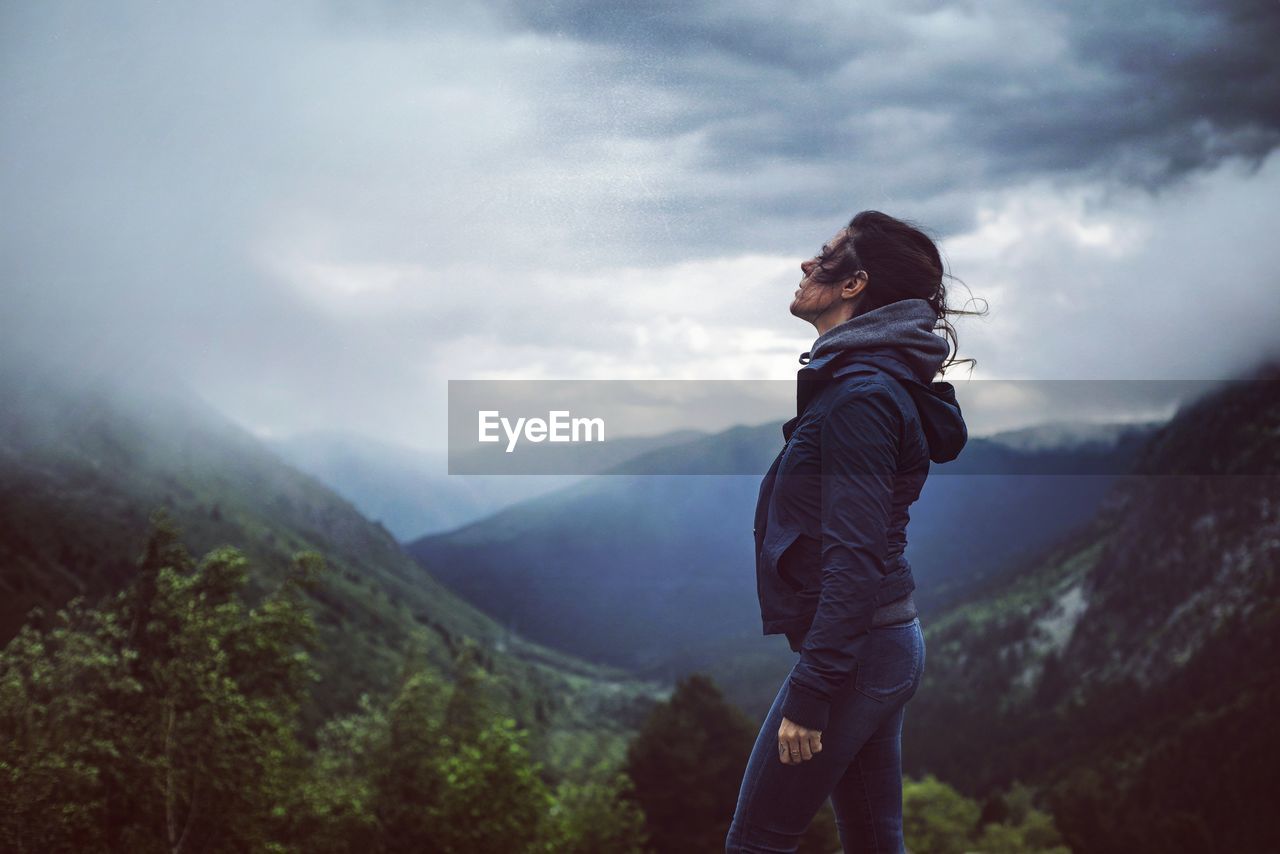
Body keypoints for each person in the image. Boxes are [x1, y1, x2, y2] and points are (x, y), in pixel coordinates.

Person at [726, 210, 980, 853]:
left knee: (756, 842)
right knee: (873, 837)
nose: (807, 265)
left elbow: (855, 557)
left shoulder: (861, 395)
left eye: (823, 256)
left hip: (859, 652)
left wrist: (812, 693)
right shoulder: (864, 383)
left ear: (854, 284)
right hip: (878, 644)